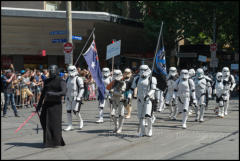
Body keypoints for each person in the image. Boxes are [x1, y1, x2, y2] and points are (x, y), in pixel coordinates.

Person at [36, 65, 66, 148]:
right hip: (46, 105)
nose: (51, 72)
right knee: (44, 121)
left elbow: (63, 92)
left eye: (53, 70)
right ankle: (47, 140)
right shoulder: (46, 81)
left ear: (56, 71)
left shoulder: (61, 81)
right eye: (50, 70)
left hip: (56, 105)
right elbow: (43, 94)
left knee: (54, 124)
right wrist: (39, 106)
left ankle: (55, 142)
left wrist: (53, 94)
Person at [128, 65, 157, 137]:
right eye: (141, 70)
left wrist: (148, 95)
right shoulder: (137, 78)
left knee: (148, 115)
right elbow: (132, 88)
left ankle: (150, 130)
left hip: (148, 99)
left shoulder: (152, 79)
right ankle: (143, 131)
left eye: (144, 70)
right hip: (140, 99)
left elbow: (153, 89)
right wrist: (129, 96)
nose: (142, 71)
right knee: (140, 117)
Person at [64, 65, 85, 131]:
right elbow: (65, 88)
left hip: (75, 97)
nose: (70, 72)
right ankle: (70, 125)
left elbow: (82, 89)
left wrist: (79, 97)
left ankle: (81, 121)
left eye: (71, 70)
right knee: (68, 111)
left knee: (75, 111)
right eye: (69, 70)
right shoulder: (67, 78)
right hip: (68, 97)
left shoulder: (78, 78)